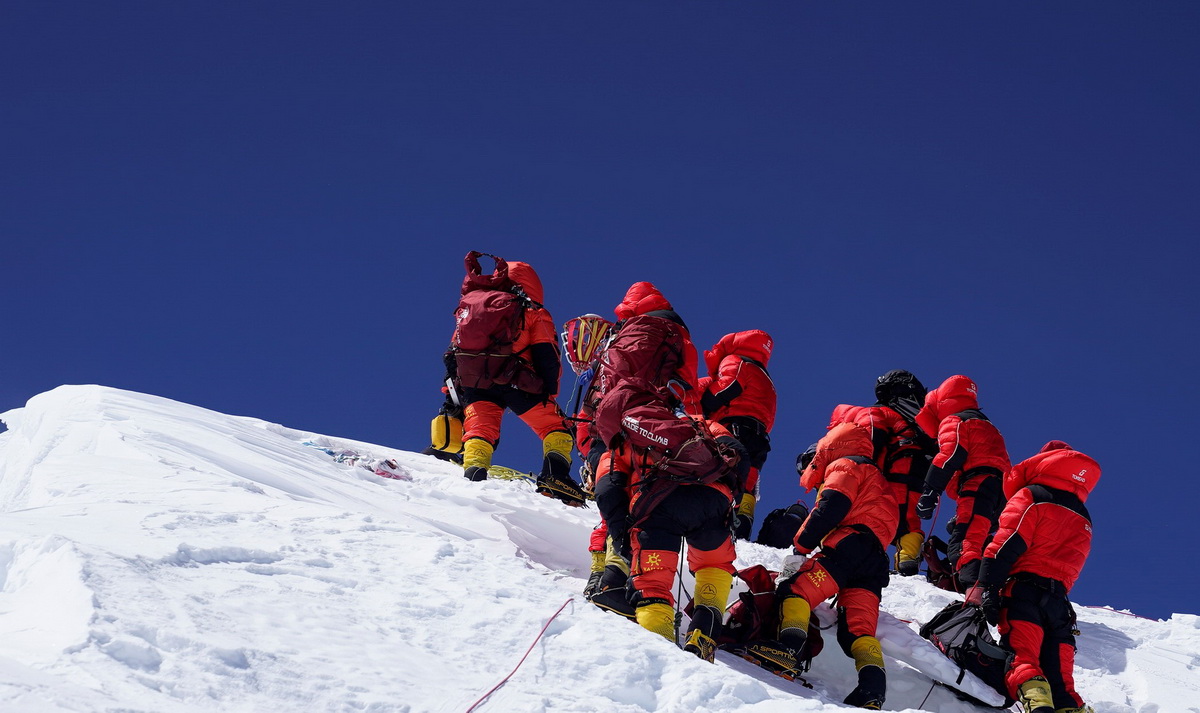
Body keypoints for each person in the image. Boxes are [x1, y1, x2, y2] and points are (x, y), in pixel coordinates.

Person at [591, 378, 748, 663]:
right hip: (713, 501)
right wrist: (729, 497)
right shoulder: (697, 422)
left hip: (659, 505)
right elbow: (738, 453)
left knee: (653, 585)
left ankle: (663, 651)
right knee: (715, 564)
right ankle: (704, 632)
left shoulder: (623, 441)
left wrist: (623, 534)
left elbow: (607, 490)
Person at [747, 422, 897, 709]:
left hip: (847, 547)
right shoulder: (878, 479)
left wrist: (800, 549)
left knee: (795, 589)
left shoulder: (845, 465)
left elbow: (830, 508)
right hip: (875, 562)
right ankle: (872, 691)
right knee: (858, 630)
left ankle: (788, 651)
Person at [964, 441, 1099, 713]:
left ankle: (1036, 704)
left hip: (1023, 592)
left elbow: (1006, 544)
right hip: (1060, 603)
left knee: (1021, 655)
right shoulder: (1083, 514)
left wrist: (987, 587)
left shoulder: (1032, 495)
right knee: (1061, 680)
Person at [443, 251, 585, 505]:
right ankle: (555, 477)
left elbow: (454, 352)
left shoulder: (469, 307)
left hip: (475, 382)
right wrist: (548, 392)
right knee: (556, 427)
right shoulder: (531, 310)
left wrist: (453, 388)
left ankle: (473, 476)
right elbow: (547, 354)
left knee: (480, 429)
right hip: (519, 381)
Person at [829, 369, 936, 576]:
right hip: (913, 477)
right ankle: (907, 564)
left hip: (887, 476)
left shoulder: (878, 414)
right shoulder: (916, 426)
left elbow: (869, 441)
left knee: (870, 519)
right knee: (908, 520)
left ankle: (855, 558)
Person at [913, 375, 1011, 589]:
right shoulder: (987, 425)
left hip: (977, 484)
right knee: (977, 536)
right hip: (1002, 492)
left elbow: (950, 455)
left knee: (965, 542)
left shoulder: (955, 420)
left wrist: (930, 491)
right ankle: (991, 584)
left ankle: (972, 593)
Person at [697, 329, 777, 540]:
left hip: (733, 429)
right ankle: (740, 532)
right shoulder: (767, 379)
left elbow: (727, 388)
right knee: (747, 481)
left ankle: (713, 525)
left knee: (724, 474)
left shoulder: (737, 360)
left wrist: (704, 404)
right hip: (759, 437)